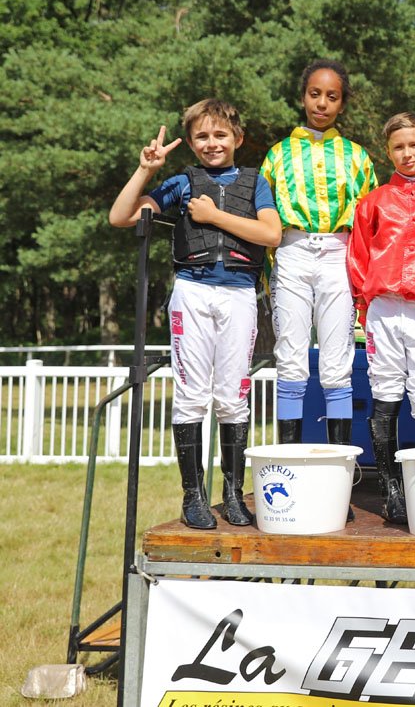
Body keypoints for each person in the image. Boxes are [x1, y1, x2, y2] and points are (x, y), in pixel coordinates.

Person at [109, 100, 282, 529]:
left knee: (233, 395)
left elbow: (271, 233)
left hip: (239, 295)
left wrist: (213, 216)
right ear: (190, 143)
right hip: (192, 292)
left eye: (220, 135)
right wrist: (145, 169)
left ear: (237, 138)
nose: (212, 143)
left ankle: (233, 494)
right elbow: (121, 216)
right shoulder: (183, 182)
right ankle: (193, 496)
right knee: (191, 395)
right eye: (202, 136)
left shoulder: (256, 182)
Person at [262, 59, 377, 462]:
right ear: (303, 97)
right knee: (291, 357)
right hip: (292, 251)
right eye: (315, 94)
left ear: (342, 103)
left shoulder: (357, 156)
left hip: (337, 254)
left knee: (336, 361)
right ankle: (288, 462)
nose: (322, 104)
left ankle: (341, 465)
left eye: (332, 96)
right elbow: (263, 213)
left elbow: (369, 219)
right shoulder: (278, 154)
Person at [347, 112, 415, 525]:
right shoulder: (373, 202)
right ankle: (391, 490)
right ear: (387, 152)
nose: (407, 153)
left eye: (414, 145)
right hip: (384, 307)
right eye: (398, 147)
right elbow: (358, 256)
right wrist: (364, 304)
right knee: (385, 390)